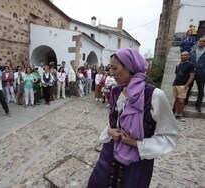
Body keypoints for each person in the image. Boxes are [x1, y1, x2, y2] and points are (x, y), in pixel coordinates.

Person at [88, 48, 179, 188]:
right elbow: (114, 120)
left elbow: (169, 136)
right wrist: (109, 131)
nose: (111, 73)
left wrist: (137, 144)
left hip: (136, 164)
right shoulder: (116, 90)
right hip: (108, 156)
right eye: (110, 68)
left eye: (114, 68)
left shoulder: (155, 95)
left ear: (129, 68)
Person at [172, 51, 195, 122]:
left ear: (188, 56)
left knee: (182, 101)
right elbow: (177, 74)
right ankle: (176, 114)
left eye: (185, 55)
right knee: (176, 100)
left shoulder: (191, 64)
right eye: (182, 55)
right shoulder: (178, 64)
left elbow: (192, 76)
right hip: (175, 84)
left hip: (183, 85)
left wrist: (186, 85)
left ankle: (181, 115)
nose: (183, 56)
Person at [185, 37, 205, 112]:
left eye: (203, 41)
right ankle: (185, 102)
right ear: (198, 42)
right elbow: (188, 62)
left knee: (201, 90)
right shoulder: (192, 51)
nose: (201, 42)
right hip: (192, 73)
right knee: (188, 88)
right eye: (200, 41)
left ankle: (198, 105)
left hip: (201, 73)